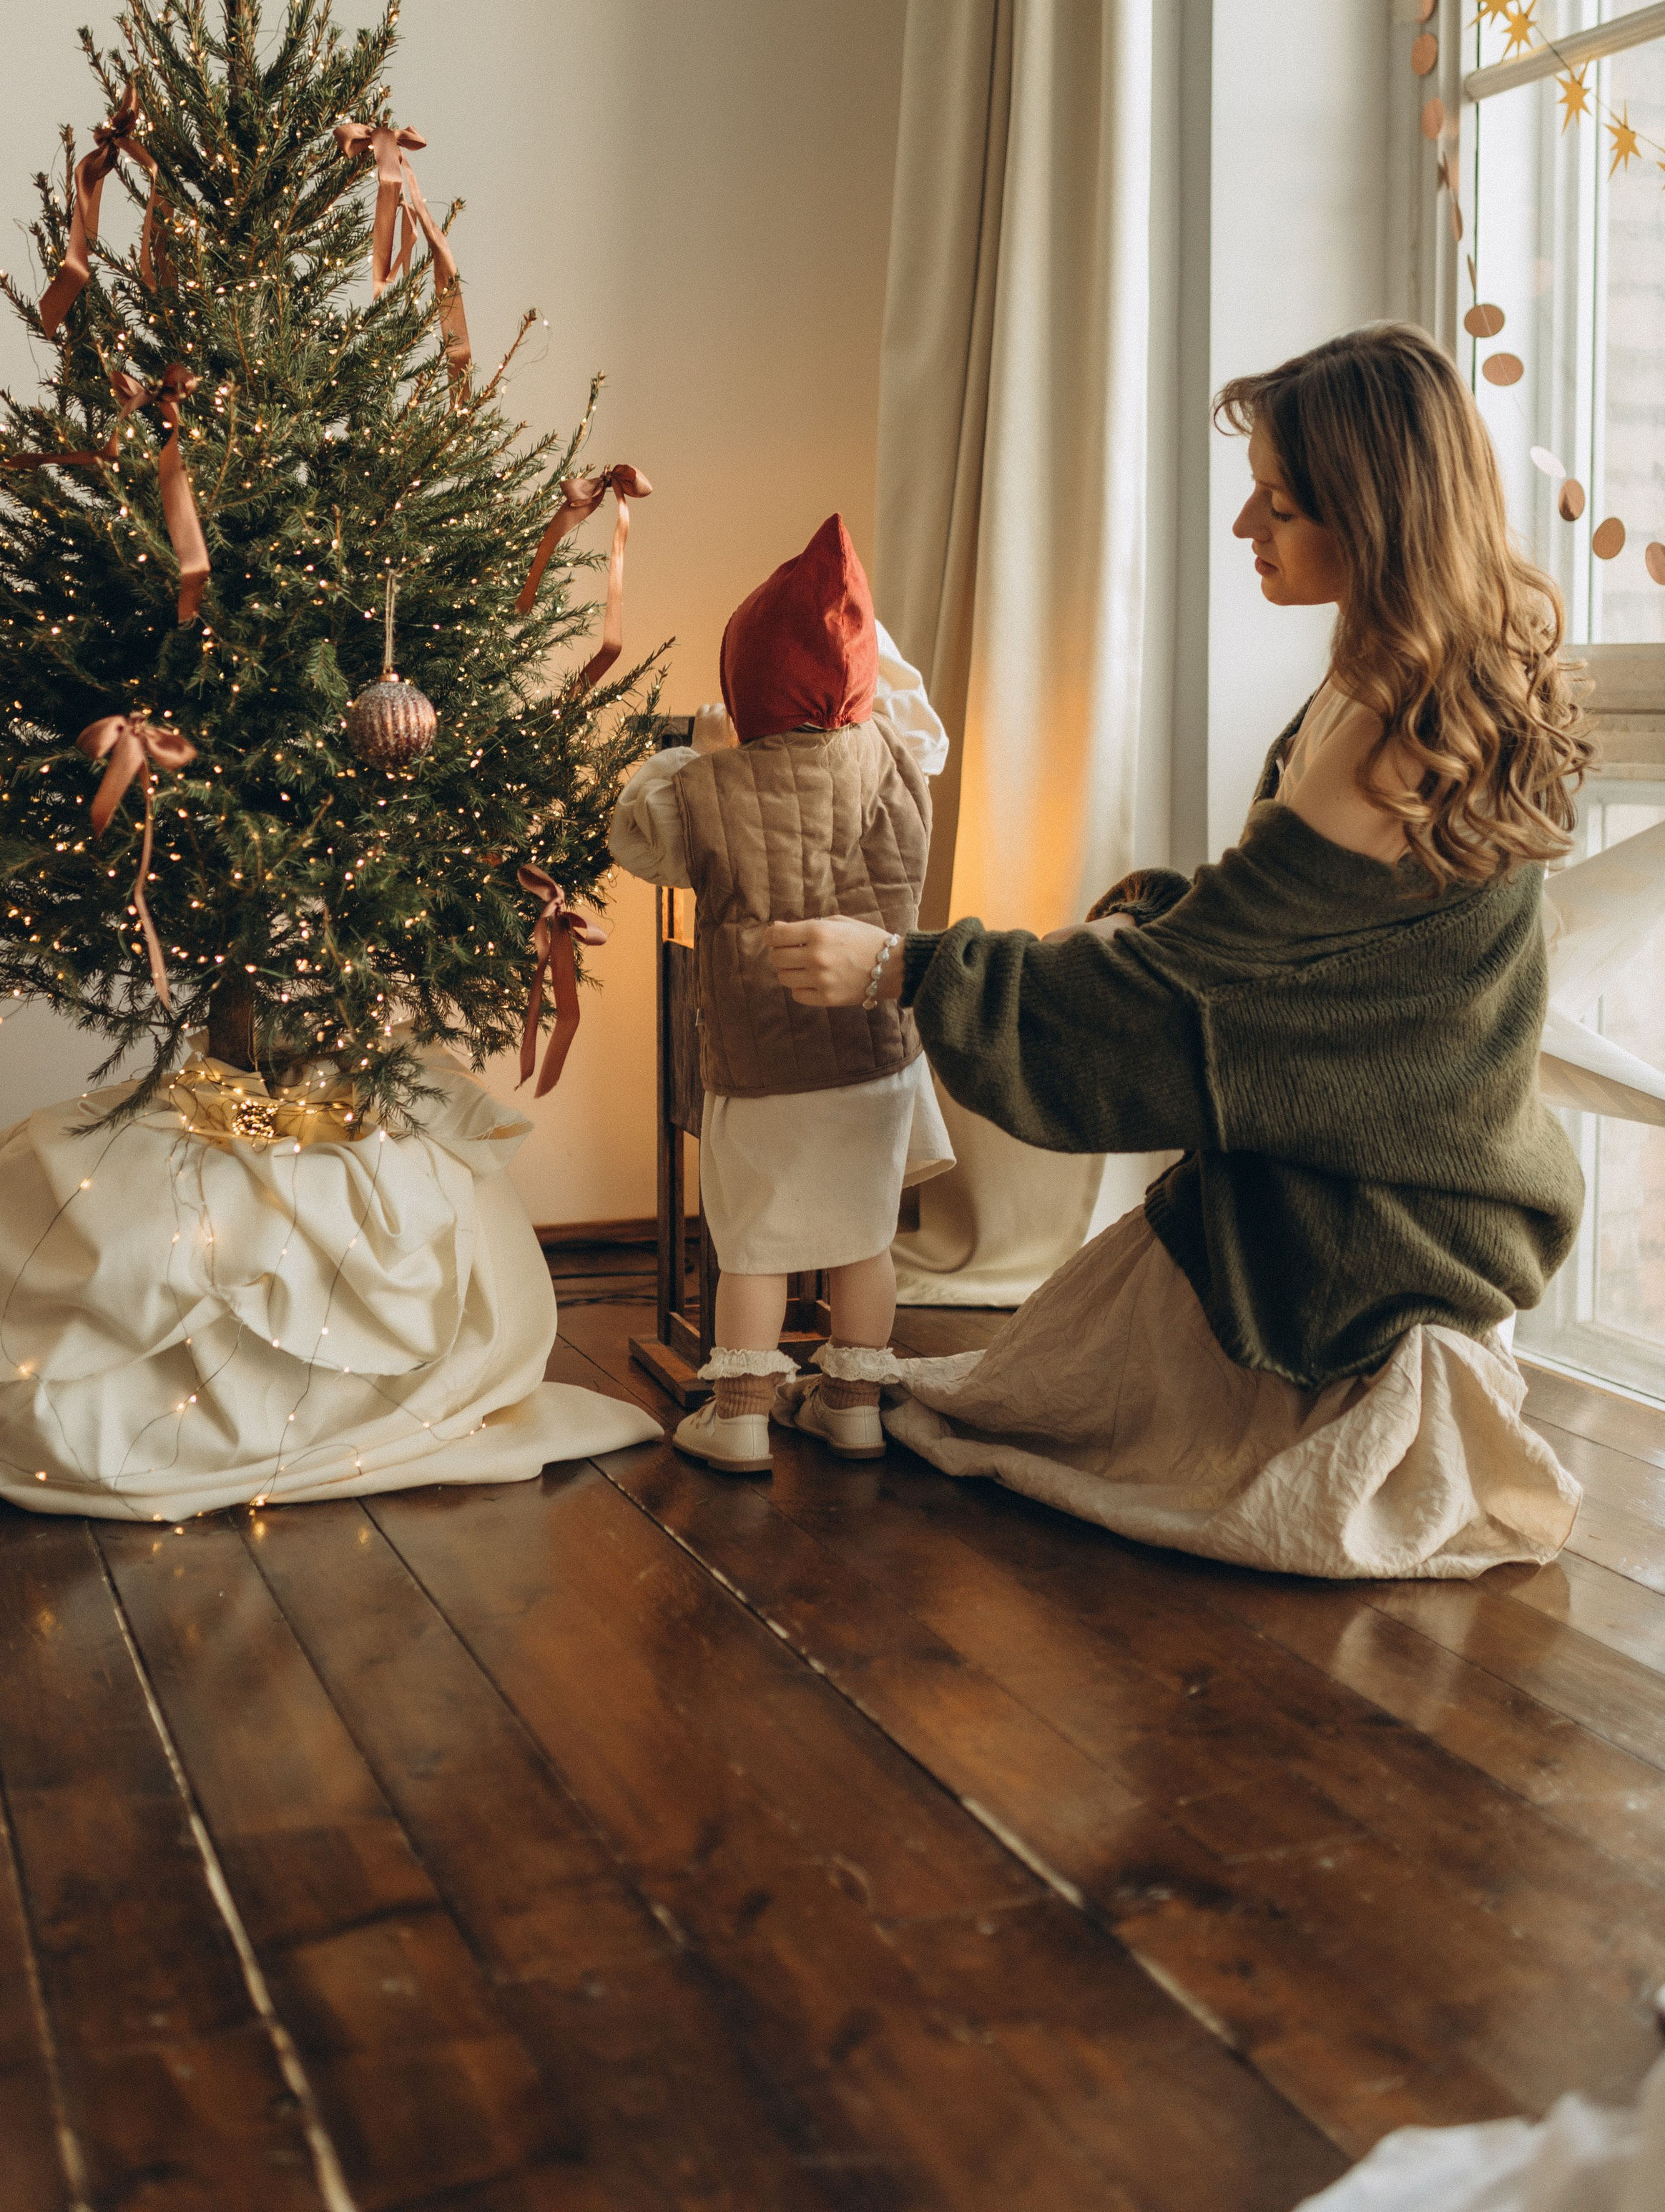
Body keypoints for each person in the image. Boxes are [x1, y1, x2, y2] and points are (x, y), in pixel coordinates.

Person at [767, 326, 1596, 1578]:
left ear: (1372, 517)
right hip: (1433, 1157)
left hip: (1392, 1207)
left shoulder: (1389, 728)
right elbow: (1290, 946)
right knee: (1004, 1390)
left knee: (1009, 1421)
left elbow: (1191, 985)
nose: (1244, 528)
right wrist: (1148, 909)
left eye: (1280, 501)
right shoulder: (1427, 676)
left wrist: (904, 968)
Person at [607, 514, 953, 1472]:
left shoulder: (702, 791)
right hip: (876, 1055)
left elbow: (632, 837)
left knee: (753, 1244)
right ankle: (851, 1406)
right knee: (863, 1241)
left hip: (760, 1068)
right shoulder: (899, 756)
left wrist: (700, 752)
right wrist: (859, 642)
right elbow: (908, 705)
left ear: (741, 687)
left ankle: (744, 1415)